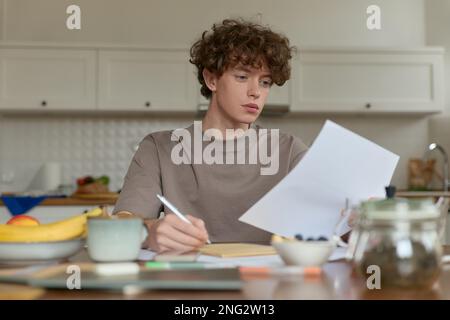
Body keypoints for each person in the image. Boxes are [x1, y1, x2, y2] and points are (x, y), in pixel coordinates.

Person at [113, 18, 308, 253]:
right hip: (187, 281)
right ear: (211, 79)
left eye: (265, 82)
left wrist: (358, 218)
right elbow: (122, 222)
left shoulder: (290, 151)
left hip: (269, 284)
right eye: (242, 77)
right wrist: (148, 231)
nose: (256, 92)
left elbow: (334, 223)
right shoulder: (158, 148)